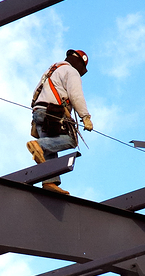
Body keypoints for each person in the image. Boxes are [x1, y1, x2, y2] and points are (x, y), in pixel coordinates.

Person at [26, 49, 94, 195]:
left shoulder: (52, 70)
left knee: (51, 145)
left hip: (39, 112)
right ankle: (38, 145)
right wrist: (85, 117)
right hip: (52, 112)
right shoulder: (71, 72)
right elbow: (76, 95)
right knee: (71, 140)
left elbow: (36, 92)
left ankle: (50, 182)